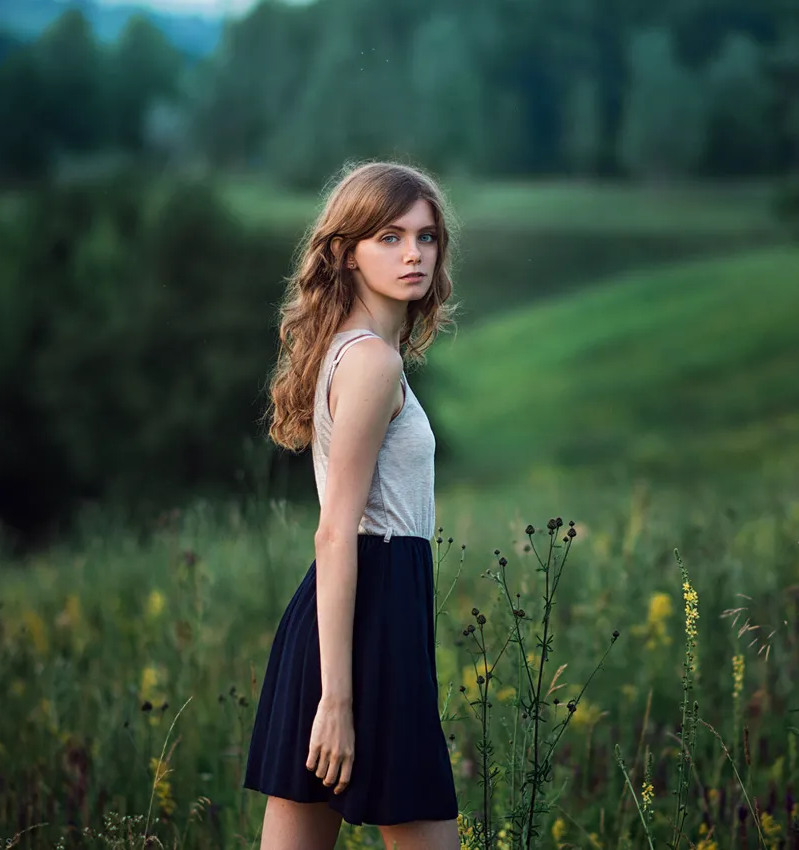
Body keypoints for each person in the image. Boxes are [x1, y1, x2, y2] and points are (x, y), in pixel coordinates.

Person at [245, 161, 461, 850]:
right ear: (345, 251)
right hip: (368, 617)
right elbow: (336, 532)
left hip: (347, 618)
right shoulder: (371, 362)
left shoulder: (349, 351)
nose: (413, 255)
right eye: (390, 238)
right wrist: (336, 699)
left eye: (426, 239)